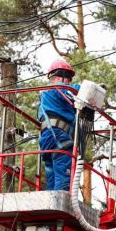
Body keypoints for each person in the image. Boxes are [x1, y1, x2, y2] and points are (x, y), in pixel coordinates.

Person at [38, 59, 80, 191]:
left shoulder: (49, 97)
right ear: (56, 77)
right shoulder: (55, 89)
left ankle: (50, 204)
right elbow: (74, 90)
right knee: (63, 173)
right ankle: (60, 204)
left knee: (52, 174)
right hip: (57, 135)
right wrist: (91, 88)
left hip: (48, 137)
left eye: (69, 79)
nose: (68, 81)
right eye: (66, 77)